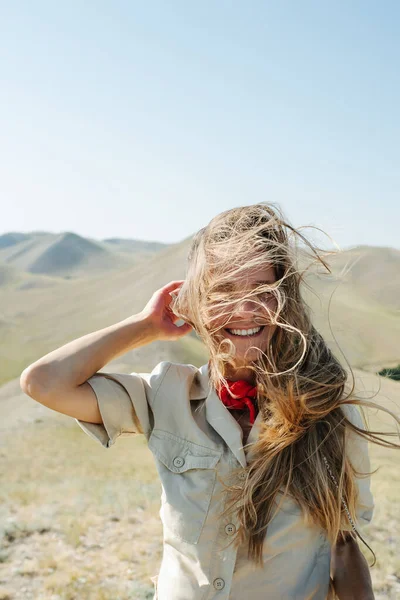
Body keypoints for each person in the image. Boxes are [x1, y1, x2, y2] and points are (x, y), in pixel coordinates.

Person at [20, 203, 397, 600]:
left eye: (261, 291)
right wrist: (146, 326)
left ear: (284, 299)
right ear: (195, 302)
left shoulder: (329, 411)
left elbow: (343, 545)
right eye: (224, 291)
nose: (245, 309)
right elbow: (44, 383)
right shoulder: (166, 395)